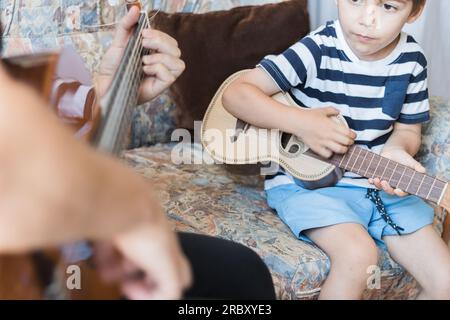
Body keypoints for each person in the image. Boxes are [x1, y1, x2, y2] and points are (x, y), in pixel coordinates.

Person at [0, 6, 275, 300]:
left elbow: (40, 118)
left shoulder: (29, 78)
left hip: (54, 248)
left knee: (241, 272)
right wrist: (134, 210)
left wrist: (109, 87)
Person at [222, 0, 450, 299]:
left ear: (414, 12)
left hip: (378, 185)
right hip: (308, 185)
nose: (367, 19)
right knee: (357, 255)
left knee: (445, 281)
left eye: (388, 6)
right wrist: (302, 123)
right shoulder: (317, 48)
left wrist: (397, 150)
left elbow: (408, 130)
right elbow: (236, 94)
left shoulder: (412, 60)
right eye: (355, 0)